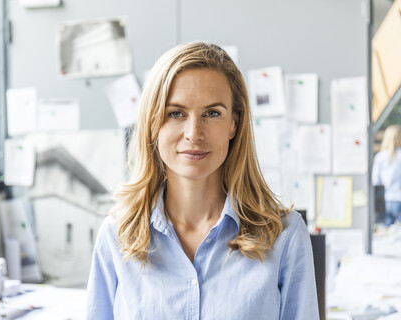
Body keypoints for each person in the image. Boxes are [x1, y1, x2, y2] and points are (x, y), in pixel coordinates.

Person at [86, 42, 318, 319]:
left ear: (234, 123)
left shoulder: (284, 235)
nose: (193, 133)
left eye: (212, 113)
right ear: (152, 122)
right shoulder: (116, 234)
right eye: (176, 113)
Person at [372, 125, 401, 226]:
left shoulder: (380, 157)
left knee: (387, 234)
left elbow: (375, 181)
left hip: (386, 200)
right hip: (399, 198)